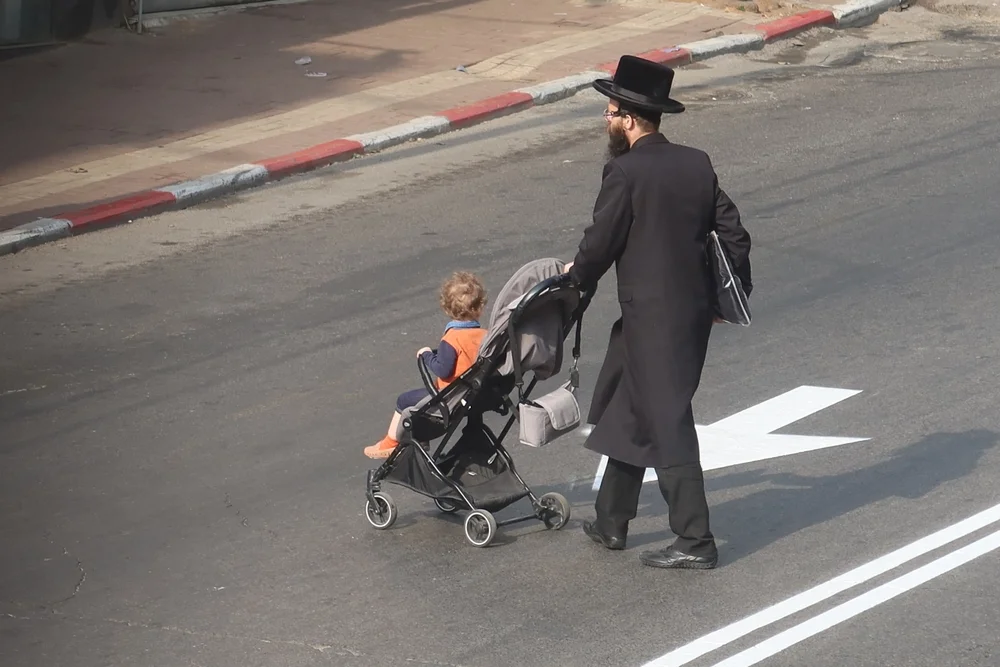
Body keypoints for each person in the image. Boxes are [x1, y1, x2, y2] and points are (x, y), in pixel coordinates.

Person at [564, 55, 752, 570]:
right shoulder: (696, 162)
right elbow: (733, 233)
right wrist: (721, 300)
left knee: (667, 419)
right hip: (687, 315)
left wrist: (571, 281)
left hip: (653, 320)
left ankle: (696, 541)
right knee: (633, 406)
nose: (606, 120)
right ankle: (610, 522)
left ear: (628, 117)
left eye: (609, 113)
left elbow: (600, 244)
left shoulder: (623, 171)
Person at [363, 271, 489, 459]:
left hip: (448, 398)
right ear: (480, 307)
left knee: (404, 400)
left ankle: (389, 443)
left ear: (447, 308)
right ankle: (419, 441)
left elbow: (443, 370)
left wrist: (427, 355)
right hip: (470, 397)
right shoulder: (484, 336)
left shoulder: (452, 339)